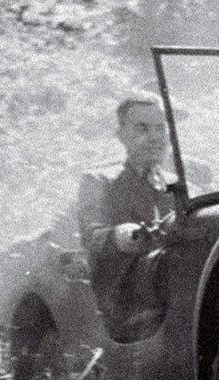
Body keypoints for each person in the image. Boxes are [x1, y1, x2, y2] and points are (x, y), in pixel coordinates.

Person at [77, 90, 176, 341]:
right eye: (142, 129)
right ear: (122, 136)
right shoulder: (99, 181)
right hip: (125, 299)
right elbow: (94, 237)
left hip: (170, 292)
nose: (154, 137)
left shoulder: (175, 185)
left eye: (160, 128)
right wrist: (125, 234)